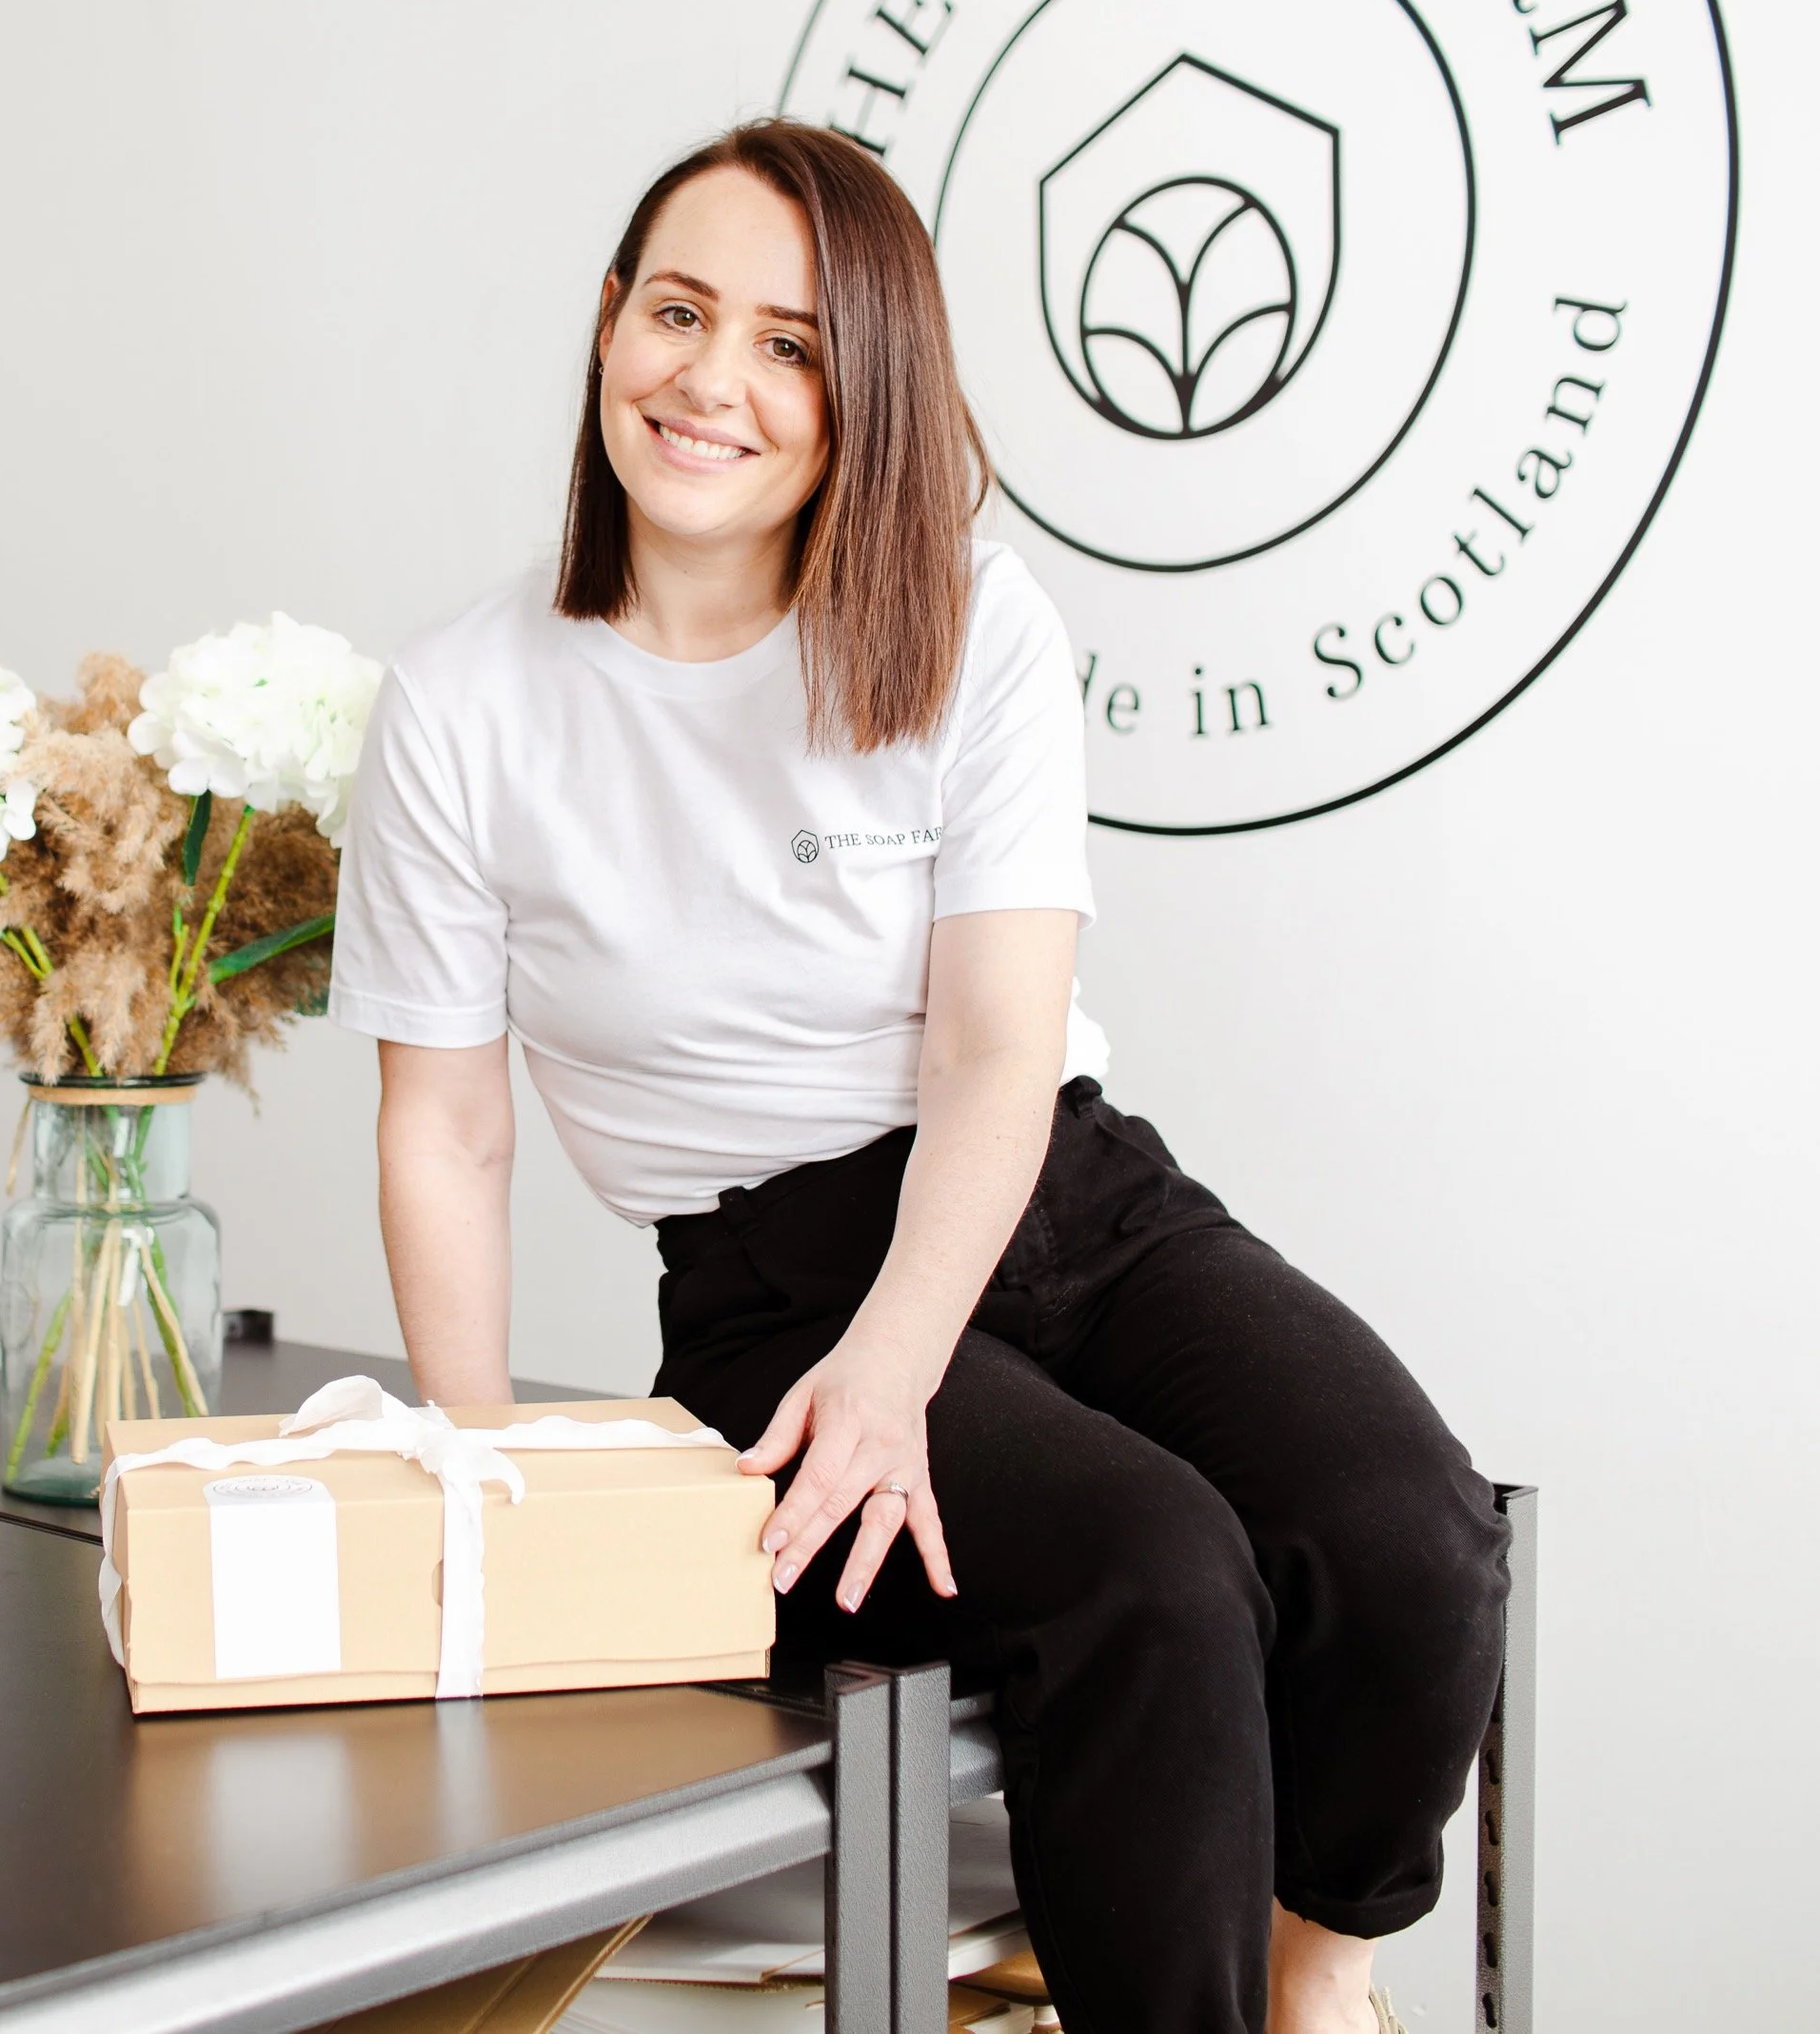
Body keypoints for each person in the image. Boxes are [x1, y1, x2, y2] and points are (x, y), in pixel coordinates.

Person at [326, 120, 1509, 2034]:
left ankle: (1321, 1977)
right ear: (606, 321)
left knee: (1410, 1531)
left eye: (789, 343)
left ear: (859, 384)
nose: (713, 378)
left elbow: (991, 1045)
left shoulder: (970, 619)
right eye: (679, 311)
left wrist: (904, 1364)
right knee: (1150, 1583)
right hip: (769, 1285)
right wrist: (479, 1458)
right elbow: (445, 1122)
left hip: (1064, 1190)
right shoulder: (467, 697)